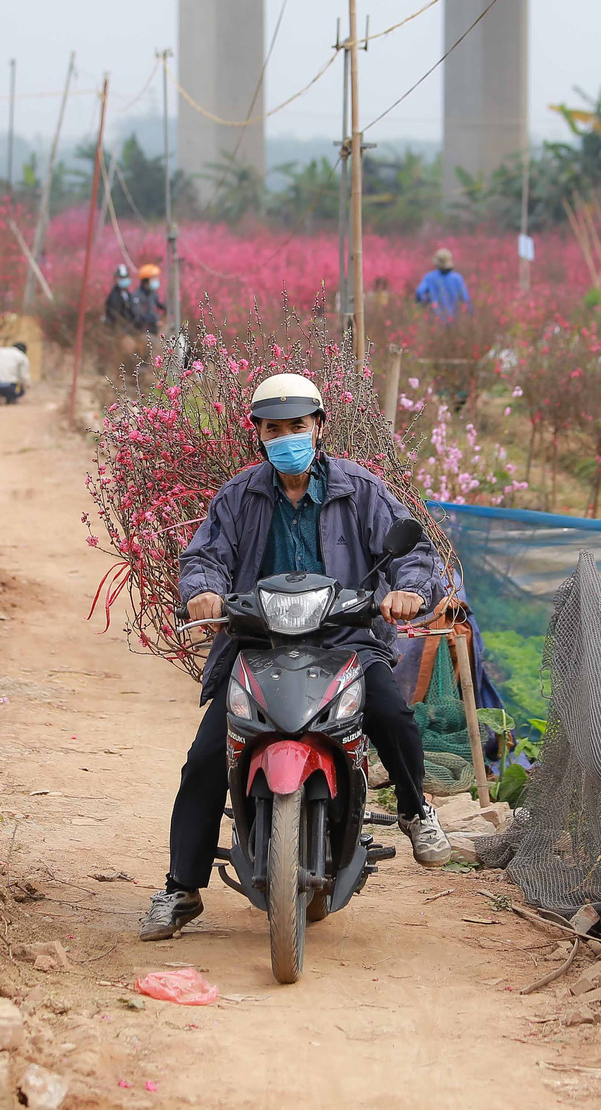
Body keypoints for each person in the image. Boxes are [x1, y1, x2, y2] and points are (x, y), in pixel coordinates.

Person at [139, 373, 454, 940]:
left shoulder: (360, 489)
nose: (287, 437)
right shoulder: (239, 495)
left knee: (392, 713)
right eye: (274, 428)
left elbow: (418, 558)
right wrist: (202, 591)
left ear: (320, 427)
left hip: (345, 639)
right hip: (256, 644)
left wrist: (407, 592)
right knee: (208, 756)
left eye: (298, 426)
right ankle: (181, 889)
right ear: (257, 434)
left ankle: (414, 810)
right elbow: (203, 558)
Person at [414, 248, 471, 321]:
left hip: (435, 319)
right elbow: (465, 299)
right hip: (455, 320)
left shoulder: (429, 277)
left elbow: (419, 293)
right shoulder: (457, 278)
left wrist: (427, 302)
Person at [131, 262, 166, 334]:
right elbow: (139, 315)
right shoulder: (137, 296)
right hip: (143, 331)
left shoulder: (152, 293)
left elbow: (159, 305)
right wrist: (155, 321)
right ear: (146, 281)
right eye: (154, 279)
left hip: (154, 329)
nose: (156, 281)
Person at [103, 264, 137, 332]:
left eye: (126, 277)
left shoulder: (128, 294)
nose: (124, 280)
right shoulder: (114, 295)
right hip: (117, 329)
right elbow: (114, 314)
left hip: (128, 327)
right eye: (122, 278)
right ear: (116, 279)